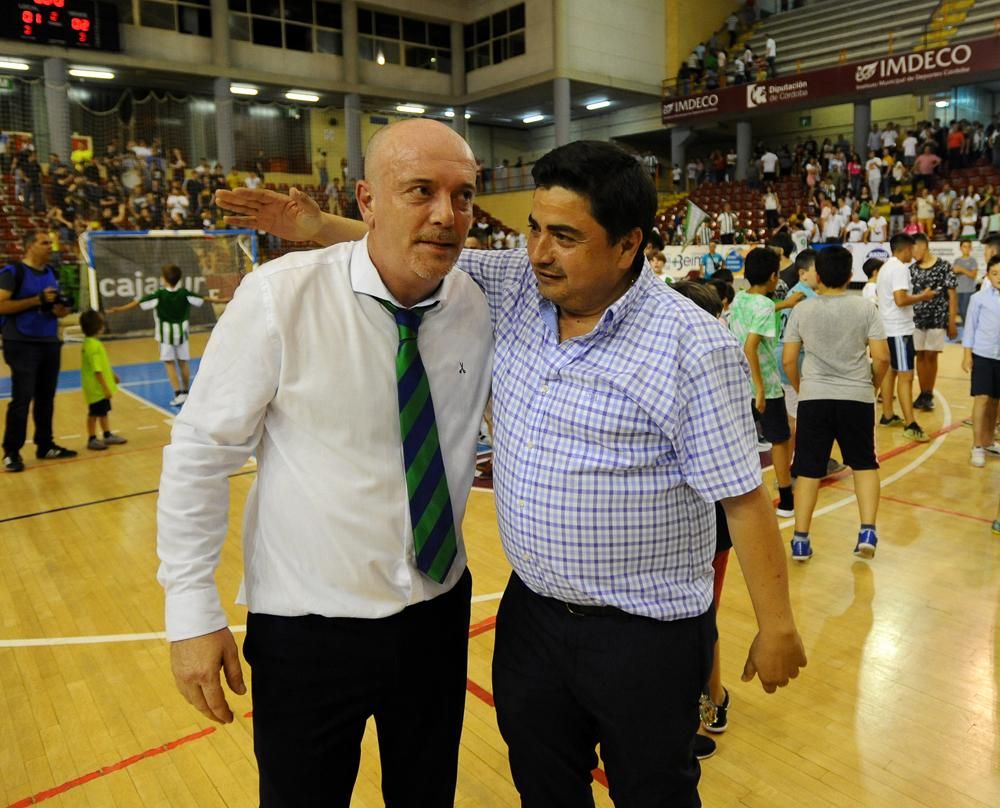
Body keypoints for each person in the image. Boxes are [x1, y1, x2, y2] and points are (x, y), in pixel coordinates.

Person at [217, 138, 807, 806]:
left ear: (626, 244)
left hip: (644, 634)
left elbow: (743, 499)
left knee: (655, 791)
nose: (537, 252)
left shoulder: (693, 347)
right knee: (543, 784)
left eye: (564, 236)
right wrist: (317, 227)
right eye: (532, 229)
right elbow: (424, 244)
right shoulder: (517, 287)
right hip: (531, 622)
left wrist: (777, 623)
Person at [158, 120, 493, 807]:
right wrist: (191, 610)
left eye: (463, 195)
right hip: (308, 629)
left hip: (436, 614)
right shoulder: (280, 297)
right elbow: (199, 455)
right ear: (367, 200)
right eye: (420, 190)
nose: (445, 214)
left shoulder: (481, 299)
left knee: (427, 795)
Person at [782, 246, 890, 560]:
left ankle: (801, 538)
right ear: (849, 274)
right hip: (856, 396)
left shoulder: (802, 310)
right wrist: (872, 386)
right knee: (865, 463)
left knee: (808, 468)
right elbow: (882, 357)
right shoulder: (865, 308)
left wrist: (805, 389)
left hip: (815, 397)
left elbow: (789, 361)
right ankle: (867, 531)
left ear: (817, 275)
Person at [0, 232, 78, 472]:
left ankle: (45, 444)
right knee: (22, 399)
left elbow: (58, 313)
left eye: (51, 243)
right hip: (21, 342)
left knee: (46, 397)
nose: (50, 247)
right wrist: (37, 300)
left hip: (48, 341)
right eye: (44, 243)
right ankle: (11, 452)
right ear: (29, 246)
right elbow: (2, 305)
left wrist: (61, 307)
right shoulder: (12, 273)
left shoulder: (51, 273)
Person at [728, 247, 796, 520]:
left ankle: (744, 498)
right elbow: (750, 347)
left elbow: (761, 311)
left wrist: (785, 305)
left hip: (737, 385)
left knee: (745, 442)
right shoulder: (766, 306)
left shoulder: (740, 299)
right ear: (772, 277)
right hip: (764, 387)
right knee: (780, 440)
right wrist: (759, 388)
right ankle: (787, 499)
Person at [107, 264, 230, 406]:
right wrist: (222, 300)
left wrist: (118, 309)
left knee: (169, 363)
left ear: (165, 279)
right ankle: (186, 392)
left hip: (165, 335)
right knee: (183, 362)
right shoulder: (184, 293)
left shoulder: (159, 295)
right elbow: (206, 299)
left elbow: (137, 303)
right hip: (182, 334)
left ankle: (178, 394)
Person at [875, 233, 935, 441]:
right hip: (898, 330)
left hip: (887, 327)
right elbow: (900, 300)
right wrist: (923, 297)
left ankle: (888, 414)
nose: (914, 252)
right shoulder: (900, 268)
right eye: (912, 248)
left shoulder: (886, 267)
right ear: (904, 249)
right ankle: (911, 423)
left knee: (891, 373)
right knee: (906, 376)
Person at [909, 234, 958, 411]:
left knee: (931, 355)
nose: (912, 254)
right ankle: (923, 393)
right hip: (916, 320)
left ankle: (928, 393)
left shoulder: (944, 266)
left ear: (923, 246)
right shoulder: (912, 269)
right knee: (920, 356)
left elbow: (952, 295)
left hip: (937, 318)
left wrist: (952, 321)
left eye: (913, 249)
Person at [962, 255, 1000, 467]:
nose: (999, 277)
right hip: (983, 355)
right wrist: (967, 355)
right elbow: (970, 328)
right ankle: (977, 446)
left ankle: (988, 441)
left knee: (995, 401)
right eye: (995, 273)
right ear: (988, 275)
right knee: (982, 398)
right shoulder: (979, 298)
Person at [78, 310, 128, 451]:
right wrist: (105, 388)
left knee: (103, 412)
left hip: (95, 388)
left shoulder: (90, 343)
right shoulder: (94, 346)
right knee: (94, 414)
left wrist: (112, 375)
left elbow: (102, 365)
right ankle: (92, 438)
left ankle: (107, 434)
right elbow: (97, 370)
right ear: (98, 327)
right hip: (97, 389)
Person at [953, 239, 979, 325]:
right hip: (958, 290)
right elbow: (953, 274)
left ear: (971, 248)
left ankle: (968, 328)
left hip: (968, 290)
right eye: (964, 246)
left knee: (965, 311)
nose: (966, 249)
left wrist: (961, 269)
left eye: (968, 247)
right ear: (960, 248)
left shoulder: (972, 260)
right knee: (960, 311)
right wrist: (954, 272)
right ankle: (966, 328)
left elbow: (973, 275)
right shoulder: (957, 260)